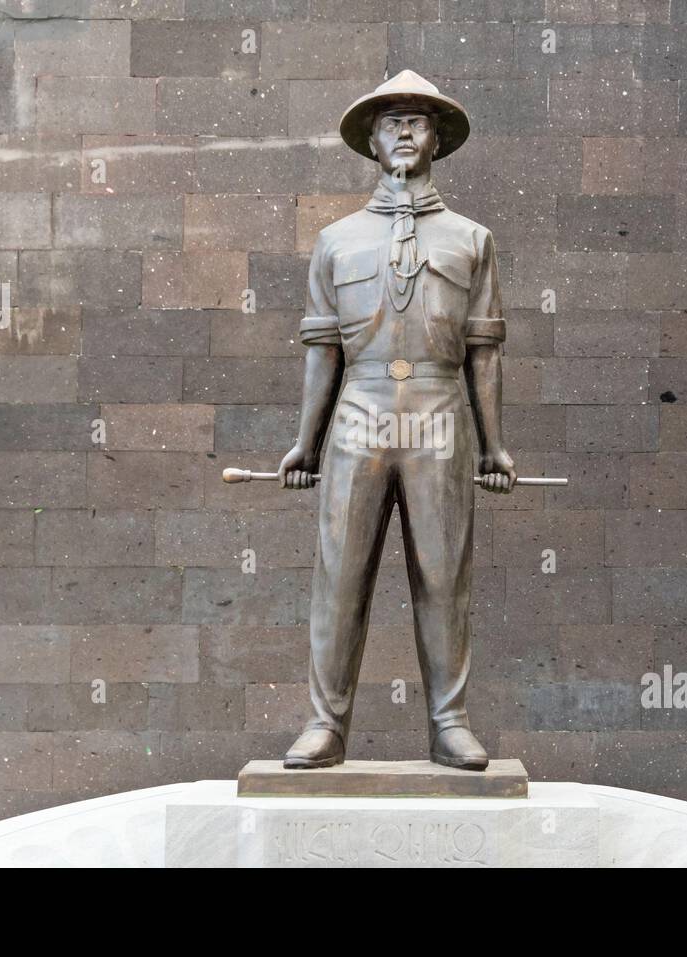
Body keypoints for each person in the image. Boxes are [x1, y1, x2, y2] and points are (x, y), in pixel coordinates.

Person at [279, 71, 515, 771]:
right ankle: (325, 724)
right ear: (372, 143)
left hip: (440, 413)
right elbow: (323, 352)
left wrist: (495, 446)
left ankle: (450, 723)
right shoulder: (335, 241)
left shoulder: (473, 240)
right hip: (360, 413)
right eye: (391, 122)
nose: (405, 130)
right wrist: (305, 441)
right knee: (340, 575)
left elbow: (485, 350)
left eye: (418, 120)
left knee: (444, 577)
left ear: (437, 139)